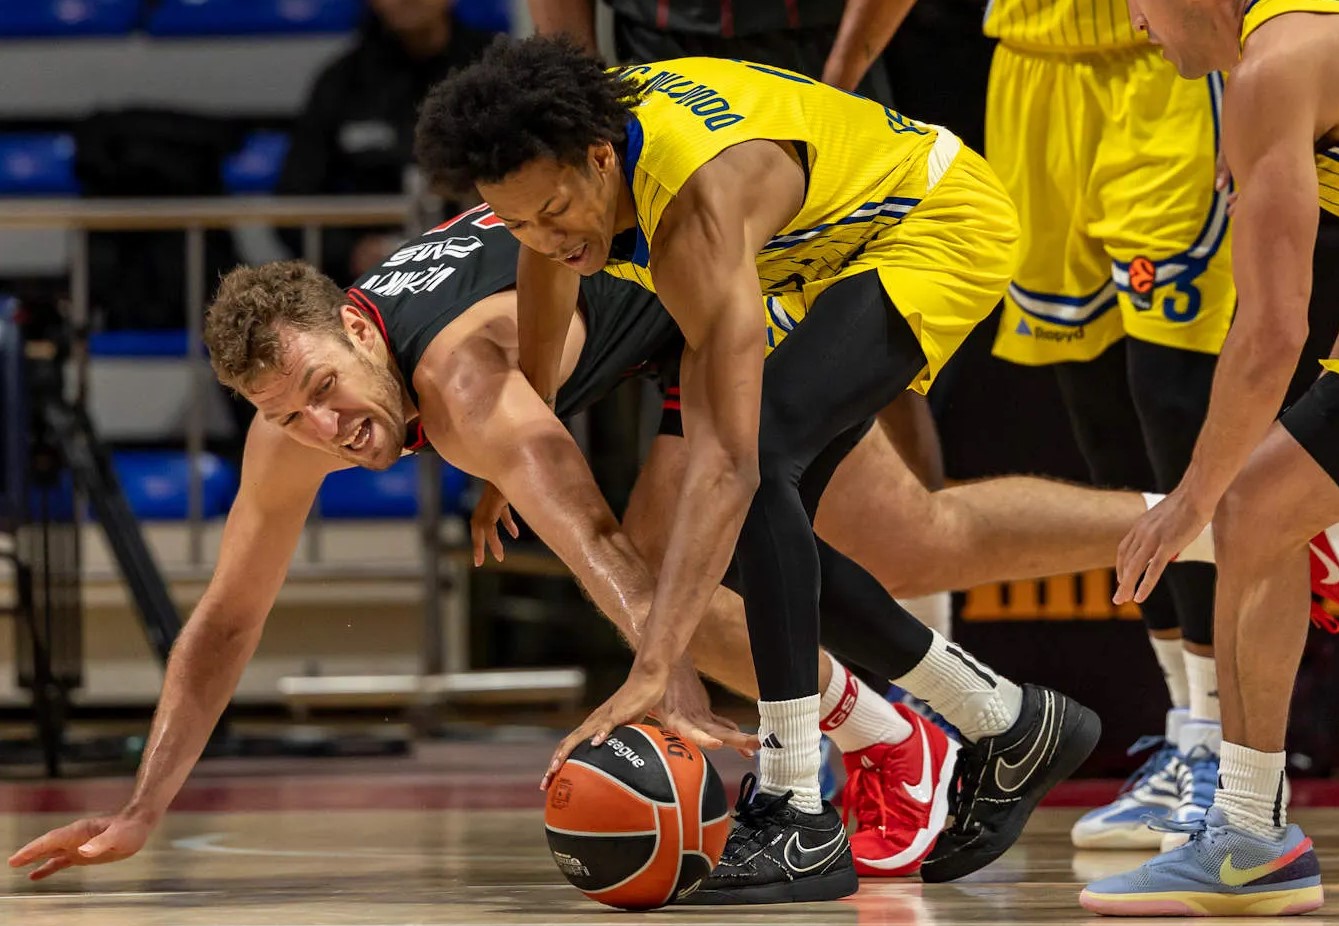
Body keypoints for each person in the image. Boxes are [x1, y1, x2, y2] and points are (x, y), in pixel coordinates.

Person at [4, 217, 1204, 887]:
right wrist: (142, 806)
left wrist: (662, 682)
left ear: (355, 329)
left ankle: (912, 731)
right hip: (645, 329)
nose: (324, 430)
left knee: (725, 563)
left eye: (323, 389)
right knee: (901, 538)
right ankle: (1171, 529)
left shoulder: (459, 381)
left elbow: (599, 550)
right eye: (286, 415)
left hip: (725, 283)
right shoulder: (309, 422)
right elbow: (225, 618)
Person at [411, 37, 1111, 899]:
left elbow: (731, 465)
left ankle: (794, 808)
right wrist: (515, 447)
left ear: (601, 159)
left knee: (757, 470)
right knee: (756, 536)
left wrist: (654, 665)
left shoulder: (693, 208)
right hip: (827, 255)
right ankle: (1005, 717)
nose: (545, 238)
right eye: (515, 221)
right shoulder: (556, 162)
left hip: (931, 219)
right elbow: (544, 279)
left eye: (553, 212)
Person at [529, 0, 957, 647]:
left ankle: (927, 640)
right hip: (662, 76)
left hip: (812, 59)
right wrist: (577, 110)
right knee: (698, 396)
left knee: (877, 363)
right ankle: (767, 686)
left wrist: (835, 85)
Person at [1079, 0, 1339, 915]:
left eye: (1136, 1)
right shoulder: (1286, 52)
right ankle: (1248, 835)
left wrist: (1189, 496)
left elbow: (1271, 334)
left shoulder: (1274, 69)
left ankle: (1249, 835)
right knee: (1259, 506)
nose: (1134, 26)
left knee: (1242, 504)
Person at [277, 0, 496, 283]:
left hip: (481, 268)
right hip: (368, 283)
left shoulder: (493, 70)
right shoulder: (341, 83)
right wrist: (351, 252)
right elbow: (292, 203)